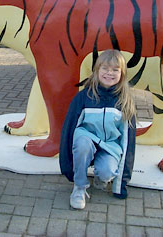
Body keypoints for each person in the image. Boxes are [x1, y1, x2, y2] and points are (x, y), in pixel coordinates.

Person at [59, 49, 137, 209]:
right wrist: (68, 168)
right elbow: (69, 131)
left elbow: (128, 143)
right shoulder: (83, 97)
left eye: (115, 70)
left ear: (122, 74)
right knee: (82, 143)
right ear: (97, 70)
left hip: (109, 146)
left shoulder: (125, 102)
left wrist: (120, 184)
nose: (110, 73)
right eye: (105, 69)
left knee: (107, 171)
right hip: (86, 141)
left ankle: (101, 177)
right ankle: (79, 188)